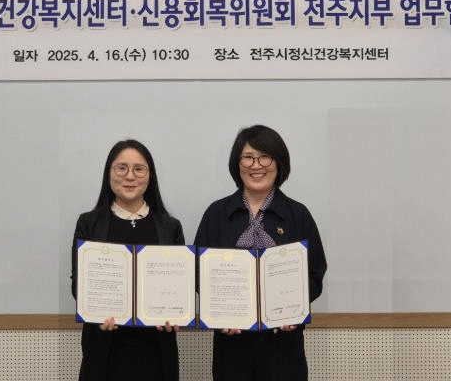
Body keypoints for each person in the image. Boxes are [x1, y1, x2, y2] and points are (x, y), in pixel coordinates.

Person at [194, 125, 327, 381]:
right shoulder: (217, 214)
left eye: (265, 157)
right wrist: (219, 312)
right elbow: (198, 272)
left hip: (283, 346)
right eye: (248, 157)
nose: (256, 166)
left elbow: (314, 274)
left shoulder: (297, 215)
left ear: (279, 163)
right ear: (237, 164)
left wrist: (294, 309)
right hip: (231, 346)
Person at [71, 140, 185, 381]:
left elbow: (179, 289)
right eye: (121, 168)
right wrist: (96, 311)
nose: (130, 176)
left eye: (139, 169)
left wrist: (176, 314)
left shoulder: (170, 227)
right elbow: (78, 286)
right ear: (109, 173)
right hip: (104, 348)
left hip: (157, 350)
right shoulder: (89, 224)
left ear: (150, 175)